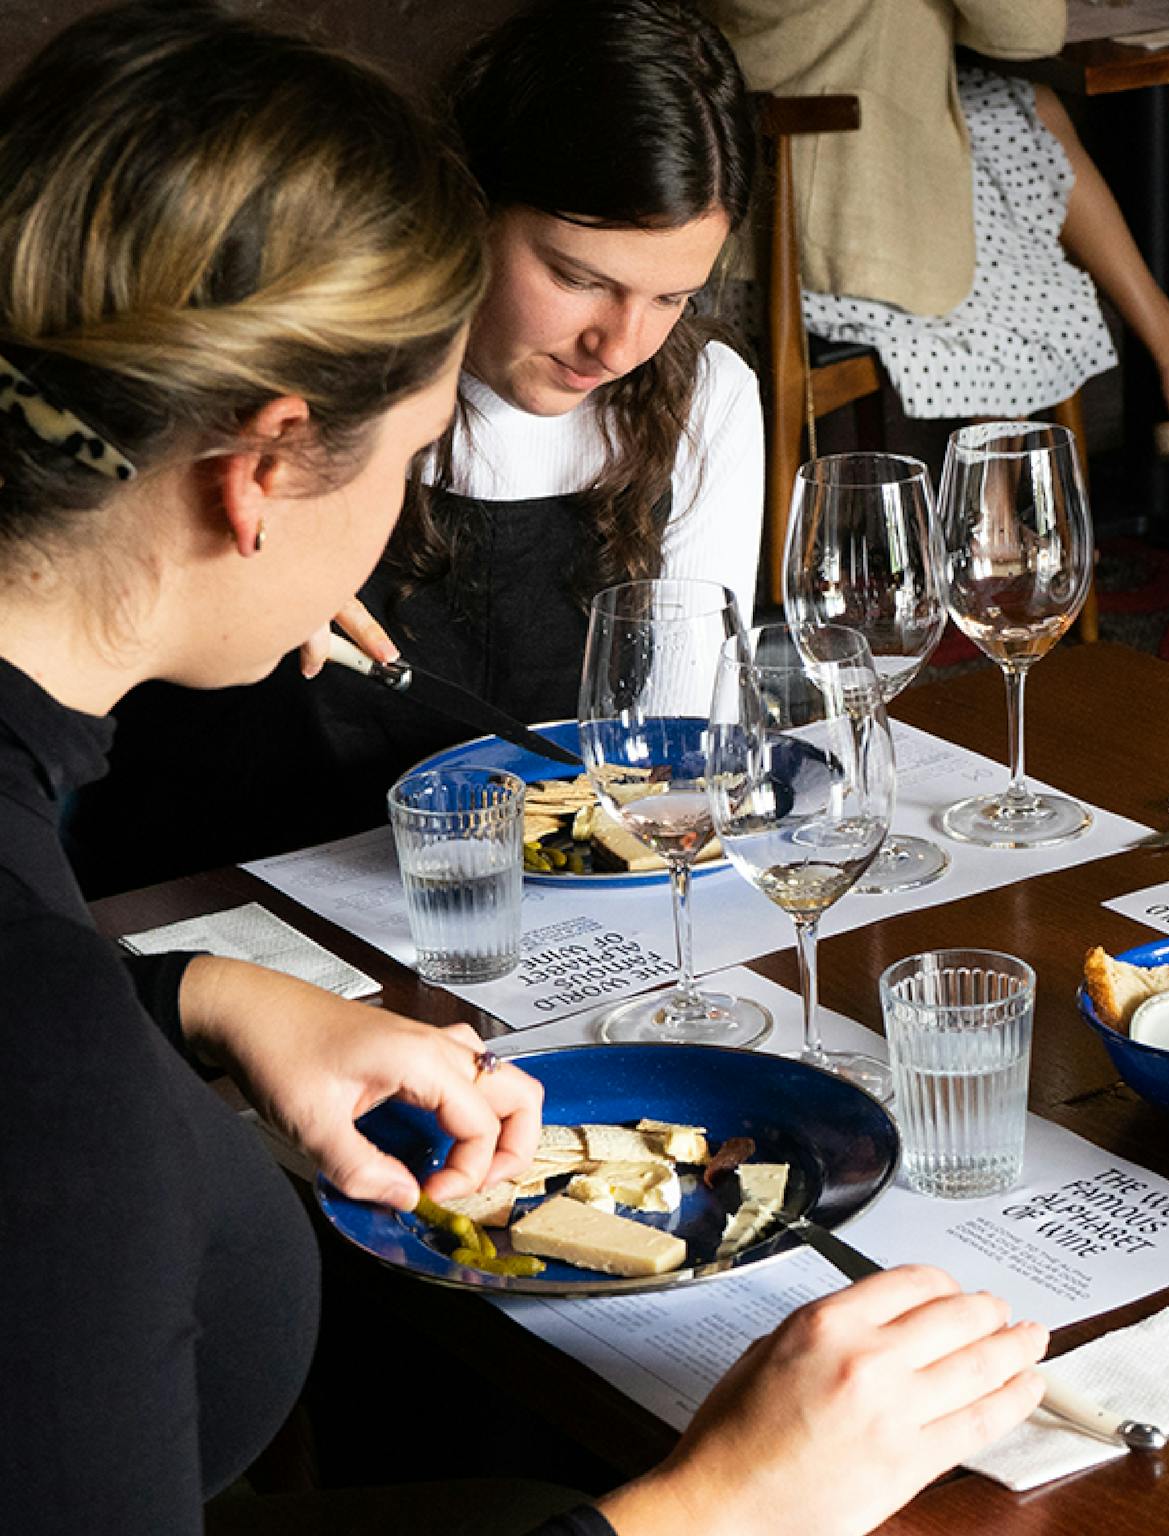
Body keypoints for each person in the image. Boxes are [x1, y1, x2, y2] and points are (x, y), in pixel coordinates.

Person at [0, 7, 1044, 1535]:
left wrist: (198, 1001)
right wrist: (724, 1505)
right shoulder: (53, 1073)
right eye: (413, 438)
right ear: (265, 477)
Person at [63, 0, 772, 890]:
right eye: (578, 278)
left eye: (671, 299)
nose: (621, 348)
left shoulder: (699, 400)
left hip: (518, 910)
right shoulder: (309, 364)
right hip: (226, 885)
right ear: (466, 202)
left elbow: (669, 768)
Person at [704, 0, 1169, 453]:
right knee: (1025, 135)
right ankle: (1008, 506)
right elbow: (1027, 27)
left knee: (1028, 111)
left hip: (731, 182)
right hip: (836, 214)